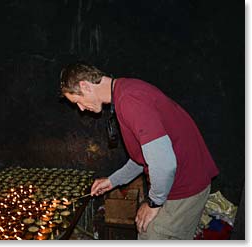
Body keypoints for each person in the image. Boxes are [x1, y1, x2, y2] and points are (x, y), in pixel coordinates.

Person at [59, 62, 219, 240]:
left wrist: (153, 203)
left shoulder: (129, 100)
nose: (80, 109)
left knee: (151, 234)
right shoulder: (125, 92)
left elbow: (163, 164)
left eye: (77, 101)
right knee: (145, 230)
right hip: (181, 180)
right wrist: (113, 181)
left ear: (85, 86)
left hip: (185, 186)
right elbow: (143, 157)